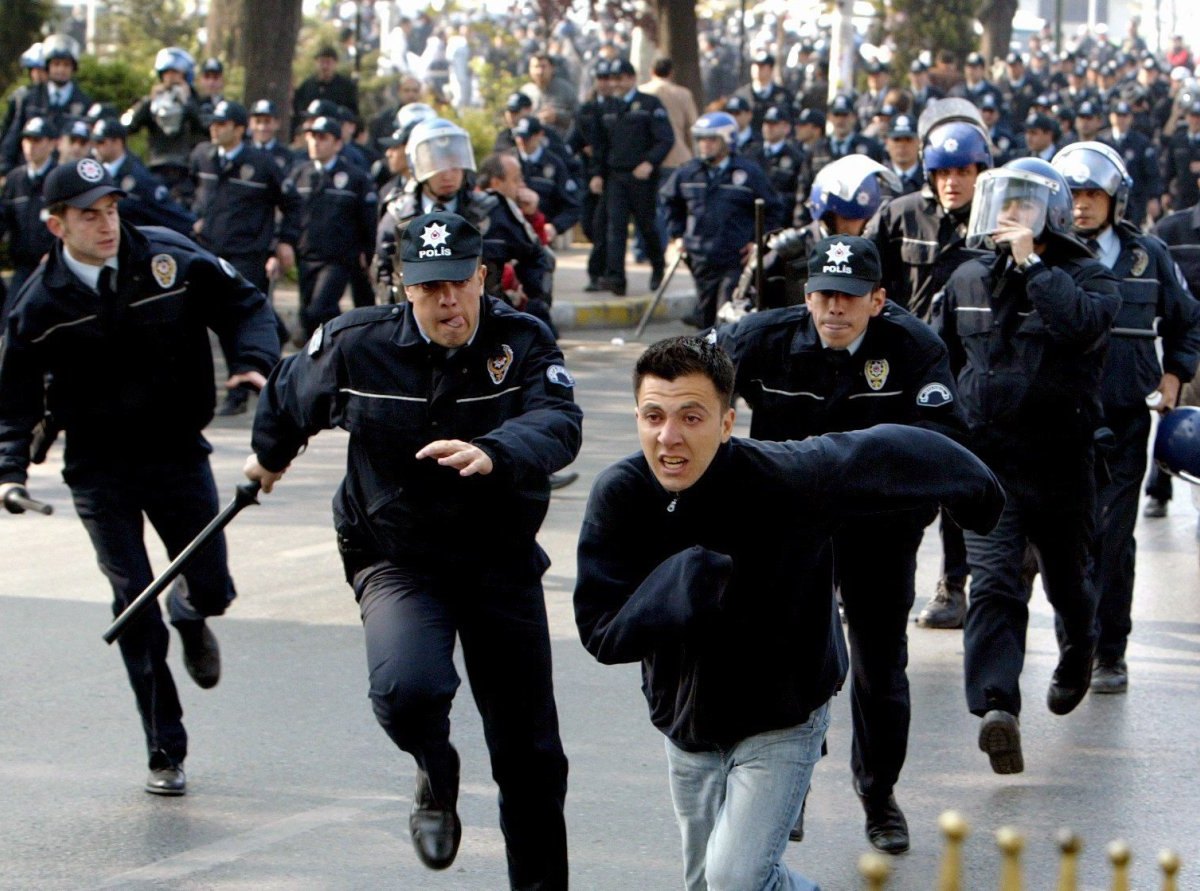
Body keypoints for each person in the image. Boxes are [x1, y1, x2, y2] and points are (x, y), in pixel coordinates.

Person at [574, 336, 1003, 890]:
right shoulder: (622, 495)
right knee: (708, 883)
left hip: (781, 716)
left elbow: (882, 449)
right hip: (687, 724)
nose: (669, 437)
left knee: (735, 879)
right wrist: (676, 585)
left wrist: (979, 493)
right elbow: (601, 631)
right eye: (653, 416)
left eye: (691, 417)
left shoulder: (786, 477)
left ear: (727, 424)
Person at [244, 211, 579, 887]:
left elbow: (558, 420)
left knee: (531, 757)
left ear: (482, 275)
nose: (447, 300)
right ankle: (436, 767)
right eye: (430, 288)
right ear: (404, 287)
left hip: (498, 556)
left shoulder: (523, 339)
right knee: (406, 690)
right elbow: (288, 394)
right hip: (394, 551)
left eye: (459, 281)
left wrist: (495, 449)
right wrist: (268, 458)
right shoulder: (353, 343)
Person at [0, 159, 279, 796]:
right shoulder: (39, 303)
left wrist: (252, 365)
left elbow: (244, 305)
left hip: (177, 451)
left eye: (112, 209)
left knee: (211, 587)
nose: (107, 225)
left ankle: (192, 611)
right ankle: (164, 749)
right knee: (132, 605)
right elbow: (12, 401)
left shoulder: (169, 259)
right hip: (99, 469)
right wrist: (9, 470)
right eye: (89, 214)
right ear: (56, 223)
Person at [717, 236, 966, 854]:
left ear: (877, 300)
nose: (834, 309)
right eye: (823, 295)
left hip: (878, 528)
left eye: (850, 298)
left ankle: (878, 795)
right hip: (786, 527)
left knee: (880, 669)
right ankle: (787, 787)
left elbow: (943, 437)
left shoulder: (914, 349)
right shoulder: (760, 338)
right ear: (806, 297)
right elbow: (689, 390)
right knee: (782, 657)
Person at [935, 157, 1122, 774]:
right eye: (1002, 203)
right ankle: (997, 707)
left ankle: (1080, 647)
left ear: (1052, 215)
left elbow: (1079, 327)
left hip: (1062, 465)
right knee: (993, 583)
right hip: (991, 466)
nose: (1009, 215)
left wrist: (1033, 266)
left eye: (1024, 205)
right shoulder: (966, 279)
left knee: (1070, 581)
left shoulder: (1088, 278)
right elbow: (940, 358)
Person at [1050, 143, 1200, 694]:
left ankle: (1108, 651)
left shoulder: (1149, 255)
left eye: (1094, 194)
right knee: (1069, 541)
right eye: (1074, 194)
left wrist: (1174, 374)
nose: (1084, 206)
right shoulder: (1047, 257)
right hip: (1059, 424)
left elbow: (1187, 320)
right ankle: (1076, 645)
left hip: (1126, 421)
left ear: (1116, 199)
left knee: (1112, 539)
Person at [867, 102, 995, 629]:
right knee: (886, 474)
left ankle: (954, 584)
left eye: (963, 171)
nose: (952, 182)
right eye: (942, 172)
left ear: (981, 173)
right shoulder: (900, 215)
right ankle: (871, 578)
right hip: (900, 365)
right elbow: (863, 269)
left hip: (966, 370)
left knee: (955, 476)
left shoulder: (998, 225)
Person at [659, 111, 784, 328]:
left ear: (728, 140)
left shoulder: (748, 173)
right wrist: (678, 235)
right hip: (700, 258)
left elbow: (773, 210)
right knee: (705, 317)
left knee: (726, 315)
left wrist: (758, 242)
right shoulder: (688, 173)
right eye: (701, 139)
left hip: (735, 258)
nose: (705, 145)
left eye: (711, 139)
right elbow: (669, 200)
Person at [277, 115, 378, 341]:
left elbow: (367, 218)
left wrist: (367, 250)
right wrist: (285, 242)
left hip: (338, 258)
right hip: (307, 255)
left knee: (320, 308)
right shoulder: (299, 174)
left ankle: (346, 337)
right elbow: (288, 212)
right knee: (307, 314)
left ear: (338, 143)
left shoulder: (354, 178)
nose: (316, 143)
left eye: (323, 138)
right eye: (312, 137)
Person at [591, 59, 674, 296]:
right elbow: (600, 146)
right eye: (612, 79)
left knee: (646, 226)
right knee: (615, 227)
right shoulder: (606, 107)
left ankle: (658, 266)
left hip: (641, 177)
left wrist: (649, 162)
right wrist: (597, 173)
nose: (615, 84)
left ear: (631, 78)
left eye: (619, 79)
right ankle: (617, 278)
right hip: (616, 176)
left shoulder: (649, 104)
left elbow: (665, 139)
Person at [120, 48, 207, 203]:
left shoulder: (196, 102)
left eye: (176, 74)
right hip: (158, 167)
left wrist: (187, 102)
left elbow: (206, 127)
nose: (171, 79)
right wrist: (147, 103)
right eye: (167, 74)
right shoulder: (152, 102)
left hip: (187, 171)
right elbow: (126, 127)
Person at [0, 35, 91, 176]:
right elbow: (12, 137)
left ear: (73, 68)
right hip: (29, 172)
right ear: (48, 66)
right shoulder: (28, 99)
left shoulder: (84, 102)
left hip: (65, 174)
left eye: (66, 65)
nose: (61, 70)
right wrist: (5, 169)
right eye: (56, 64)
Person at [90, 117, 197, 236]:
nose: (95, 147)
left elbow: (164, 208)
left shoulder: (138, 176)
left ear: (117, 142)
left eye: (101, 142)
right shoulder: (98, 171)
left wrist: (193, 225)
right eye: (94, 142)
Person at [0, 117, 58, 306]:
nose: (30, 146)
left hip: (55, 268)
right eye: (27, 140)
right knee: (10, 319)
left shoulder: (59, 178)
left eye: (37, 140)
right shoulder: (15, 180)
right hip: (24, 267)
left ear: (51, 144)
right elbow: (4, 219)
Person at [292, 45, 359, 141]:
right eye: (321, 62)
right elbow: (299, 111)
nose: (324, 66)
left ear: (335, 63)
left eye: (328, 62)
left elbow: (353, 113)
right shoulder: (307, 86)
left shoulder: (346, 87)